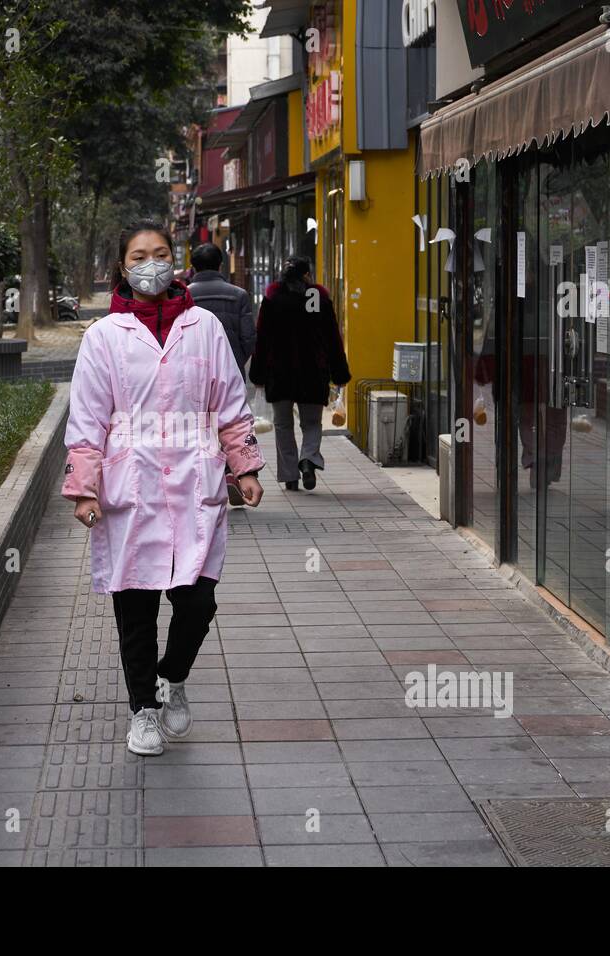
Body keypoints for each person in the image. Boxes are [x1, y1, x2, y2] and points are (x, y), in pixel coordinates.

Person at [62, 220, 265, 757]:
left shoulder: (203, 327)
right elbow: (87, 418)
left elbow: (229, 401)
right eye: (138, 256)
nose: (150, 264)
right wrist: (85, 488)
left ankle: (170, 678)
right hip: (131, 482)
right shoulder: (104, 337)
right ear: (122, 268)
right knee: (136, 607)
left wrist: (243, 466)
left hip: (194, 478)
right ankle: (143, 713)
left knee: (197, 602)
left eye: (160, 254)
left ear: (175, 262)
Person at [248, 257, 350, 491]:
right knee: (312, 423)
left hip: (280, 372)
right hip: (313, 371)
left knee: (283, 424)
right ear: (306, 275)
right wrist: (340, 373)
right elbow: (333, 338)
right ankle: (308, 459)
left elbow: (261, 339)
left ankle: (289, 475)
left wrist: (258, 374)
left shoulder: (273, 298)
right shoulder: (320, 298)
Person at [187, 242, 257, 506]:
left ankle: (215, 477)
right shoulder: (238, 294)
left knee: (203, 424)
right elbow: (249, 336)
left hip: (192, 375)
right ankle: (231, 472)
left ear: (193, 267)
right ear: (220, 265)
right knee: (231, 420)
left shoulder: (184, 295)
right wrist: (237, 361)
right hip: (232, 370)